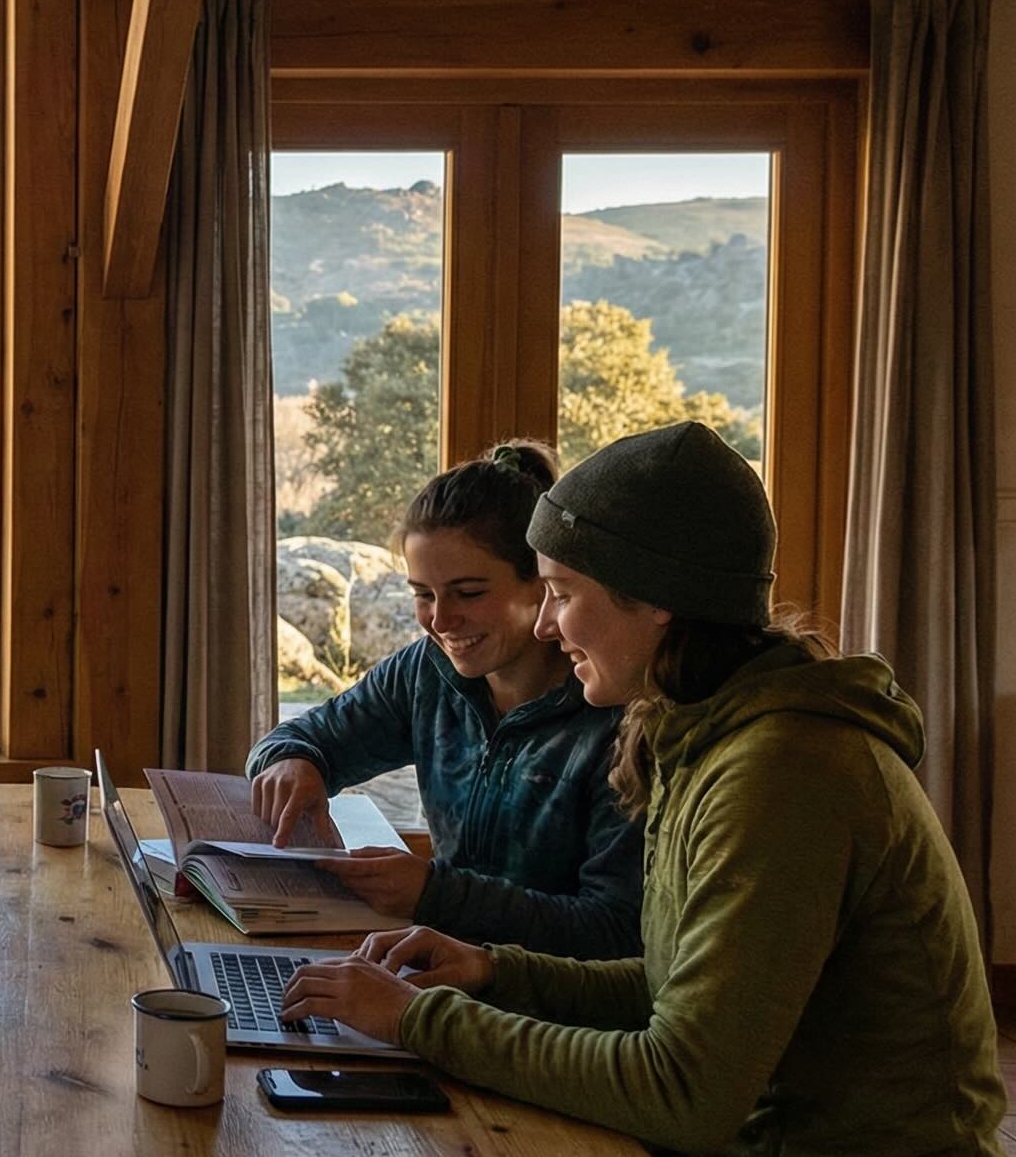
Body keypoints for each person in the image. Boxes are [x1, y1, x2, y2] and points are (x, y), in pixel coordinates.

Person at [280, 421, 1003, 1155]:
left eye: (562, 593)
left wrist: (416, 1020)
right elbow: (672, 987)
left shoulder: (784, 773)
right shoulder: (704, 729)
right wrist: (494, 973)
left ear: (655, 596)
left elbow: (682, 1092)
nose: (552, 628)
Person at [248, 442, 642, 958]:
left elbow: (615, 931)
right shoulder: (424, 673)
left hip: (551, 1022)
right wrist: (292, 761)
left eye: (469, 592)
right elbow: (304, 736)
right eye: (423, 594)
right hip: (437, 973)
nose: (441, 620)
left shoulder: (617, 716)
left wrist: (436, 895)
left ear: (542, 584)